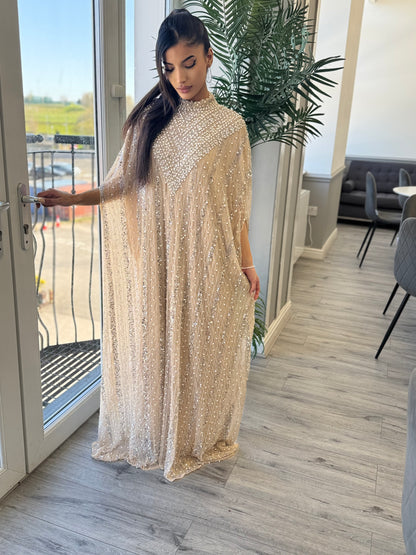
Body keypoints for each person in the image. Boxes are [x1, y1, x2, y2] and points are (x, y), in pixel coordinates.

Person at [39, 9, 260, 481]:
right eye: (169, 67)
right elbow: (120, 184)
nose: (180, 78)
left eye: (189, 63)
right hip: (156, 263)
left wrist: (247, 263)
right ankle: (157, 432)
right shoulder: (150, 121)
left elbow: (235, 207)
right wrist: (74, 198)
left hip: (205, 264)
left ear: (208, 57)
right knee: (154, 349)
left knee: (200, 349)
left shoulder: (230, 128)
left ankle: (191, 434)